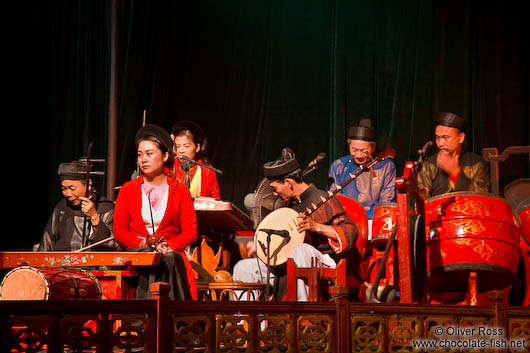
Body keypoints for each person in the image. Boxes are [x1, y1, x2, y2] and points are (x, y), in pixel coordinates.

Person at [232, 148, 358, 301]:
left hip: (318, 261)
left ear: (288, 182)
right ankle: (249, 322)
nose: (274, 194)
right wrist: (262, 246)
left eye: (275, 188)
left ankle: (301, 316)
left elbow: (351, 232)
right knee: (243, 267)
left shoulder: (322, 198)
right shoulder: (285, 206)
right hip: (284, 266)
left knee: (300, 250)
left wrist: (316, 227)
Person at [113, 124, 198, 300]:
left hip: (170, 254)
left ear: (165, 156)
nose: (143, 159)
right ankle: (146, 314)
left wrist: (169, 245)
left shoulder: (180, 190)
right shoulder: (128, 190)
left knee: (169, 259)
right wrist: (144, 242)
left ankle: (172, 317)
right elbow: (119, 231)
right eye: (140, 154)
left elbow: (190, 232)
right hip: (138, 252)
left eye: (150, 153)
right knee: (150, 257)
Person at [327, 118, 396, 237]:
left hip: (374, 222)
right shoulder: (339, 166)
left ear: (373, 148)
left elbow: (386, 202)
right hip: (346, 223)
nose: (358, 155)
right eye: (354, 150)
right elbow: (334, 201)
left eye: (364, 151)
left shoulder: (386, 166)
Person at [38, 161, 115, 251]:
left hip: (91, 264)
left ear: (88, 184)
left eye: (72, 188)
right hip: (60, 263)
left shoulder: (106, 208)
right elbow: (47, 241)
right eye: (64, 189)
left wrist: (94, 216)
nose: (68, 194)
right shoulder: (61, 207)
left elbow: (111, 243)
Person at [417, 112, 490, 198]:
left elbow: (481, 199)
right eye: (437, 138)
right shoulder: (429, 164)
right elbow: (422, 200)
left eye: (445, 137)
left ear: (461, 138)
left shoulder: (476, 163)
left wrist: (455, 173)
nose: (440, 143)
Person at [170, 120, 220, 199]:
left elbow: (215, 202)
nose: (181, 150)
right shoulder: (169, 167)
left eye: (186, 146)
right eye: (178, 146)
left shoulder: (207, 171)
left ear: (197, 147)